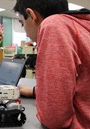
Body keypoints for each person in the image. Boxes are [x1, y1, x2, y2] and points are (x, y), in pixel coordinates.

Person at [14, 0, 90, 128]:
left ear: (31, 15)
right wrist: (34, 91)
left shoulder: (52, 25)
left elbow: (54, 119)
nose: (26, 33)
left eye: (22, 24)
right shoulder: (81, 27)